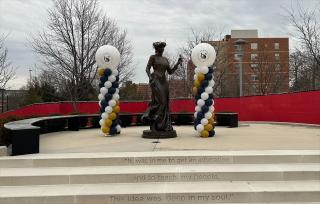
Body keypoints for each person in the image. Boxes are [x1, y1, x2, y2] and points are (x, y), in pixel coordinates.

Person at [142, 41, 183, 132]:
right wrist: (150, 78)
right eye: (161, 48)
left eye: (163, 48)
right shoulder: (153, 57)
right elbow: (147, 68)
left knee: (165, 103)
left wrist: (177, 63)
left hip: (164, 81)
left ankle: (162, 125)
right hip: (156, 79)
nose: (162, 50)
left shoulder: (165, 59)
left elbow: (170, 71)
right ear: (157, 49)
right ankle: (152, 120)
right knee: (160, 102)